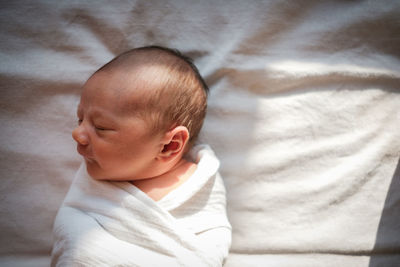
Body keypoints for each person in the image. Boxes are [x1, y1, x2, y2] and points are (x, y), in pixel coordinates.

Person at [52, 46, 231, 266]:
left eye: (101, 127)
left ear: (169, 146)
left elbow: (211, 247)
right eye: (81, 120)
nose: (77, 134)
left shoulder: (200, 184)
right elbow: (76, 240)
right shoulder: (92, 184)